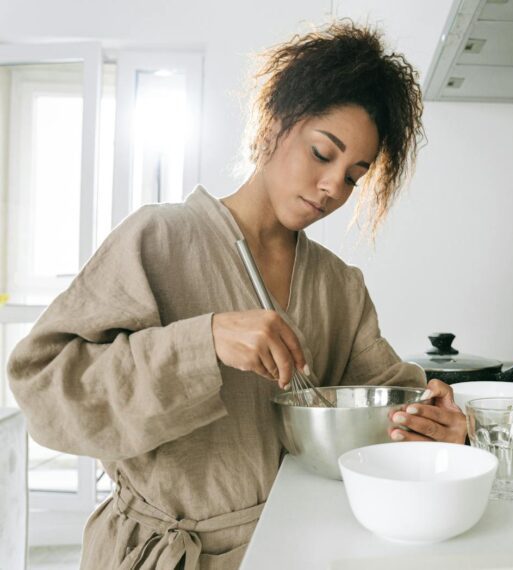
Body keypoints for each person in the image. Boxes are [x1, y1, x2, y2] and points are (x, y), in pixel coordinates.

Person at [8, 22, 467, 569]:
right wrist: (202, 343)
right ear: (275, 123)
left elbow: (390, 402)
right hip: (164, 554)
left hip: (291, 548)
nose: (333, 188)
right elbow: (43, 389)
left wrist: (440, 428)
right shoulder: (158, 238)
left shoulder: (340, 287)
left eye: (354, 176)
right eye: (323, 154)